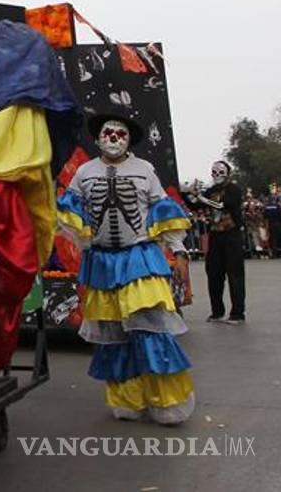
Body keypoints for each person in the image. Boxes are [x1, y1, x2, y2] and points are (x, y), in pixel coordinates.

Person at [58, 113, 195, 424]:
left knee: (151, 329)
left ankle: (167, 401)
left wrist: (179, 251)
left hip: (140, 260)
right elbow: (70, 212)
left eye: (121, 134)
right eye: (108, 133)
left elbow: (162, 209)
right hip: (103, 264)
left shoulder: (144, 169)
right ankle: (128, 400)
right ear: (98, 138)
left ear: (129, 140)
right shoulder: (84, 172)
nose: (114, 138)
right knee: (113, 336)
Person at [204, 160, 246, 323]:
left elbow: (224, 205)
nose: (217, 175)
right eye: (214, 172)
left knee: (235, 274)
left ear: (228, 173)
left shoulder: (234, 190)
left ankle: (237, 313)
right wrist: (187, 194)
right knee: (213, 273)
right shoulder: (211, 190)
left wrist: (202, 199)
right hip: (215, 235)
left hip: (231, 235)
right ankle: (217, 311)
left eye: (220, 172)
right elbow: (195, 205)